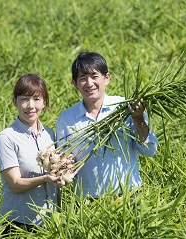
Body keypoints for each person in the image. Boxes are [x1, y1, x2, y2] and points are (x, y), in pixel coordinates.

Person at [56, 52, 158, 199]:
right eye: (83, 78)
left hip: (128, 197)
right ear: (75, 84)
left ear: (107, 78)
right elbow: (63, 162)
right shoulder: (66, 119)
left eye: (94, 76)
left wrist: (138, 119)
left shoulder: (127, 108)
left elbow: (150, 150)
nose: (89, 83)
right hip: (87, 203)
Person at [0, 73, 62, 233]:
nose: (30, 105)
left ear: (44, 103)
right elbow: (15, 185)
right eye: (24, 99)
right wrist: (45, 179)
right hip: (18, 225)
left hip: (50, 223)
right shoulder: (6, 138)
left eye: (36, 99)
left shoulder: (50, 135)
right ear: (15, 101)